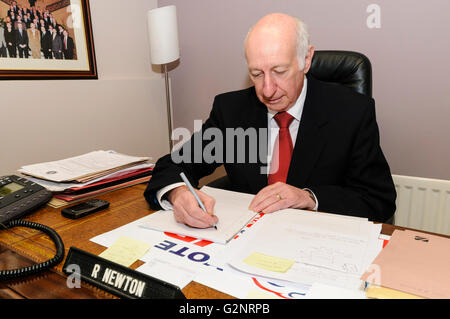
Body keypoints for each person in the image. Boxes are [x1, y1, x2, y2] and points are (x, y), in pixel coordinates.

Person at [144, 13, 396, 227]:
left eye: (279, 71)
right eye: (256, 74)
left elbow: (379, 199)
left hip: (316, 244)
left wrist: (309, 197)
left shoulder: (351, 111)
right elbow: (173, 165)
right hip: (245, 241)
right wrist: (178, 193)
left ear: (306, 59)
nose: (267, 90)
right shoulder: (231, 110)